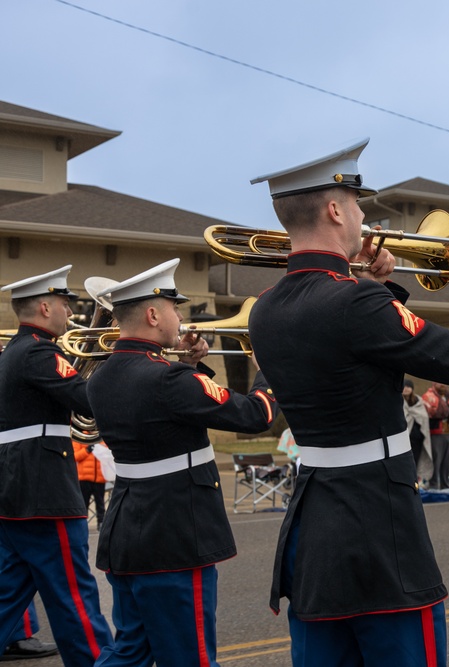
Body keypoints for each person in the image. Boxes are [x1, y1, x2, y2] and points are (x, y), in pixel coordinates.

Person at [248, 137, 449, 665]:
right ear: (336, 208)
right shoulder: (356, 301)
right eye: (360, 203)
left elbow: (354, 348)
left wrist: (372, 284)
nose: (366, 217)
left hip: (314, 532)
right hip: (380, 533)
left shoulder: (265, 310)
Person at [84, 259, 278, 666]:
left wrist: (188, 367)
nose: (181, 317)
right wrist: (269, 371)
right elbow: (256, 415)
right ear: (153, 314)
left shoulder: (102, 377)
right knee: (190, 656)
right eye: (175, 308)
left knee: (130, 652)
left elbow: (164, 415)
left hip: (128, 533)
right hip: (173, 537)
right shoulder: (167, 379)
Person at [0, 265, 114, 665]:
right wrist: (133, 358)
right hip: (43, 487)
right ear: (45, 306)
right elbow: (88, 399)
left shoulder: (16, 351)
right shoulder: (37, 352)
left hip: (19, 485)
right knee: (73, 594)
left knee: (9, 588)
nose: (71, 313)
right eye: (65, 304)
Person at [423, 382, 449, 490]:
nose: (443, 385)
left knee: (448, 462)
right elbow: (427, 415)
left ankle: (445, 484)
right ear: (434, 383)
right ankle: (433, 485)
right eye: (440, 383)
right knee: (435, 461)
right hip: (436, 434)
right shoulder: (428, 397)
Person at [403, 380, 433, 485]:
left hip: (418, 439)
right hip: (405, 439)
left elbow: (424, 417)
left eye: (408, 386)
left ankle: (414, 482)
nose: (406, 388)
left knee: (416, 461)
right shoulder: (398, 401)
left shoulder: (418, 402)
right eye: (404, 386)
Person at [73, 439, 107, 529]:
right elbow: (74, 456)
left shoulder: (101, 437)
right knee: (83, 504)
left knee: (100, 504)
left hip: (99, 477)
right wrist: (87, 450)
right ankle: (82, 525)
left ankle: (101, 524)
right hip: (84, 478)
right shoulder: (79, 438)